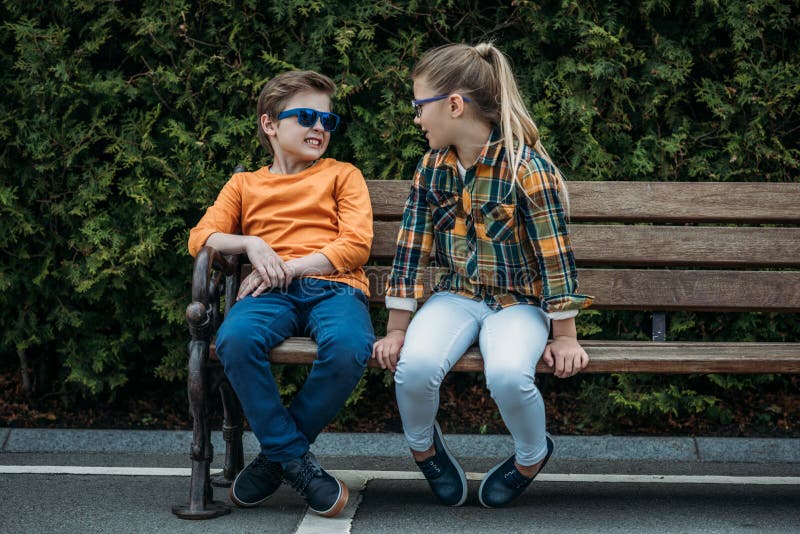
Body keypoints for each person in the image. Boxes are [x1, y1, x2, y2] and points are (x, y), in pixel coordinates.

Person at [372, 43, 593, 508]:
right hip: (455, 296)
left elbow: (555, 259)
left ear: (454, 105)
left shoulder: (526, 170)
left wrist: (565, 336)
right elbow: (412, 248)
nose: (416, 118)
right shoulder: (432, 169)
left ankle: (531, 456)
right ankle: (425, 450)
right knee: (412, 369)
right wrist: (397, 329)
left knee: (511, 376)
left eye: (419, 107)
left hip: (517, 305)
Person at [188, 70, 374, 518]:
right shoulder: (244, 185)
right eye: (306, 116)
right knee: (235, 339)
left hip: (335, 287)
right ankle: (296, 461)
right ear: (270, 123)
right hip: (270, 295)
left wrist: (287, 267)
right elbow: (202, 238)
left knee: (350, 346)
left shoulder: (342, 175)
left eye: (328, 121)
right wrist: (250, 243)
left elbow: (355, 245)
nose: (319, 128)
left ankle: (277, 458)